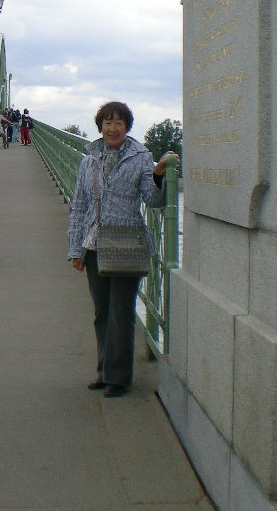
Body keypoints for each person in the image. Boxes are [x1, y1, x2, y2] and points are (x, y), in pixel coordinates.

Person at [66, 101, 176, 397]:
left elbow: (152, 201)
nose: (112, 128)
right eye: (107, 122)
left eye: (119, 123)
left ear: (127, 127)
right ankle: (104, 370)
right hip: (94, 243)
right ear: (100, 126)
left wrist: (159, 174)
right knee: (102, 313)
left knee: (121, 313)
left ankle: (119, 377)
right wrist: (75, 249)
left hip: (127, 241)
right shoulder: (89, 160)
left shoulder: (141, 158)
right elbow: (79, 205)